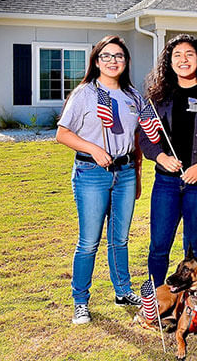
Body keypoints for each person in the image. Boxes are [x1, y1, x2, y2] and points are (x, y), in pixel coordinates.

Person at [56, 35, 144, 325]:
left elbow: (137, 139)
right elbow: (63, 133)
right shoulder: (85, 93)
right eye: (106, 56)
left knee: (119, 239)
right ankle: (80, 301)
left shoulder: (133, 96)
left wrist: (138, 176)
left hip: (126, 173)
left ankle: (123, 291)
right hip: (91, 174)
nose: (112, 61)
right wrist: (94, 148)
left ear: (126, 61)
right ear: (96, 61)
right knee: (89, 241)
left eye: (118, 56)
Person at [139, 34, 197, 288]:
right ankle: (156, 299)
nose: (183, 60)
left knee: (194, 248)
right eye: (177, 55)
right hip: (166, 182)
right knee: (159, 245)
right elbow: (145, 138)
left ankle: (192, 303)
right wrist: (161, 157)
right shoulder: (158, 96)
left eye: (189, 54)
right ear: (169, 61)